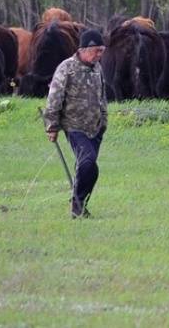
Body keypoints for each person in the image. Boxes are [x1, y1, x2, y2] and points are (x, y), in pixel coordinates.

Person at [43, 29, 108, 218]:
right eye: (97, 51)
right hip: (74, 126)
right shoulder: (66, 68)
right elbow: (54, 98)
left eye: (101, 51)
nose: (99, 55)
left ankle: (79, 205)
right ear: (84, 49)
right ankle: (77, 205)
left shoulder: (98, 68)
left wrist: (104, 120)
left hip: (95, 128)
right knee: (87, 162)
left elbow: (102, 95)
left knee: (91, 169)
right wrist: (52, 126)